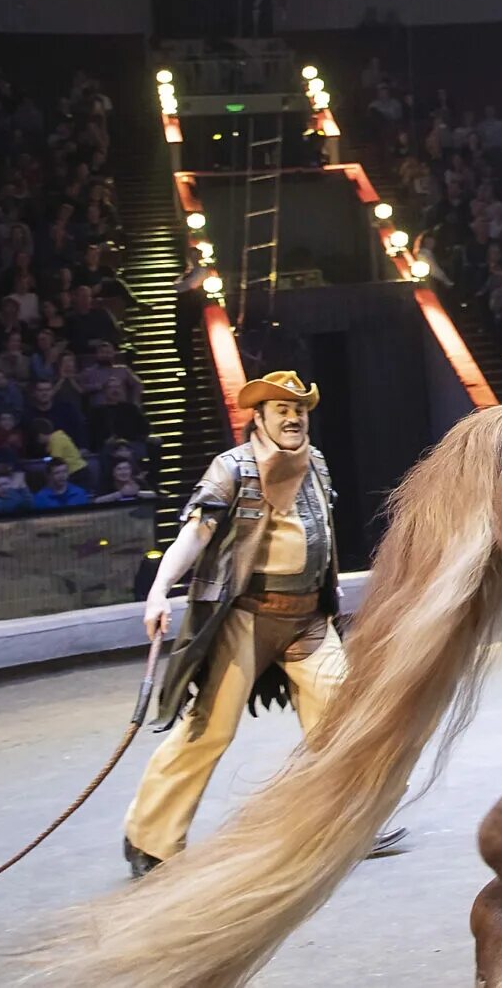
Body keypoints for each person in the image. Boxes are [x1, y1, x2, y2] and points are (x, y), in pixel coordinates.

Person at [121, 372, 404, 875]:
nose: (293, 418)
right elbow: (196, 533)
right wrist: (160, 590)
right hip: (246, 619)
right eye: (281, 410)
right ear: (259, 417)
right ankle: (151, 839)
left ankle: (350, 827)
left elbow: (321, 533)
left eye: (299, 410)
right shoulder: (232, 468)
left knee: (344, 720)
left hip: (307, 621)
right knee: (208, 730)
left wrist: (327, 586)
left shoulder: (314, 462)